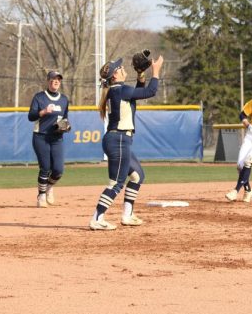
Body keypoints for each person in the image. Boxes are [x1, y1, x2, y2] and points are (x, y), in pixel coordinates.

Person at [89, 53, 164, 230]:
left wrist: (140, 75)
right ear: (114, 75)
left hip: (119, 140)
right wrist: (156, 71)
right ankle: (97, 218)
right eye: (120, 68)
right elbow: (149, 92)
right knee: (116, 183)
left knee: (137, 176)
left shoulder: (118, 90)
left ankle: (128, 215)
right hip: (119, 140)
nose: (123, 69)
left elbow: (137, 93)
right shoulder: (119, 90)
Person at [28, 70, 71, 208]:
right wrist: (43, 111)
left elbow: (65, 117)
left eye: (58, 79)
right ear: (48, 81)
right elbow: (31, 116)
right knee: (45, 167)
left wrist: (66, 125)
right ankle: (41, 195)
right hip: (41, 136)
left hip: (57, 137)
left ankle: (49, 187)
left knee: (58, 170)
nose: (56, 81)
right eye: (53, 79)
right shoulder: (39, 97)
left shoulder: (64, 99)